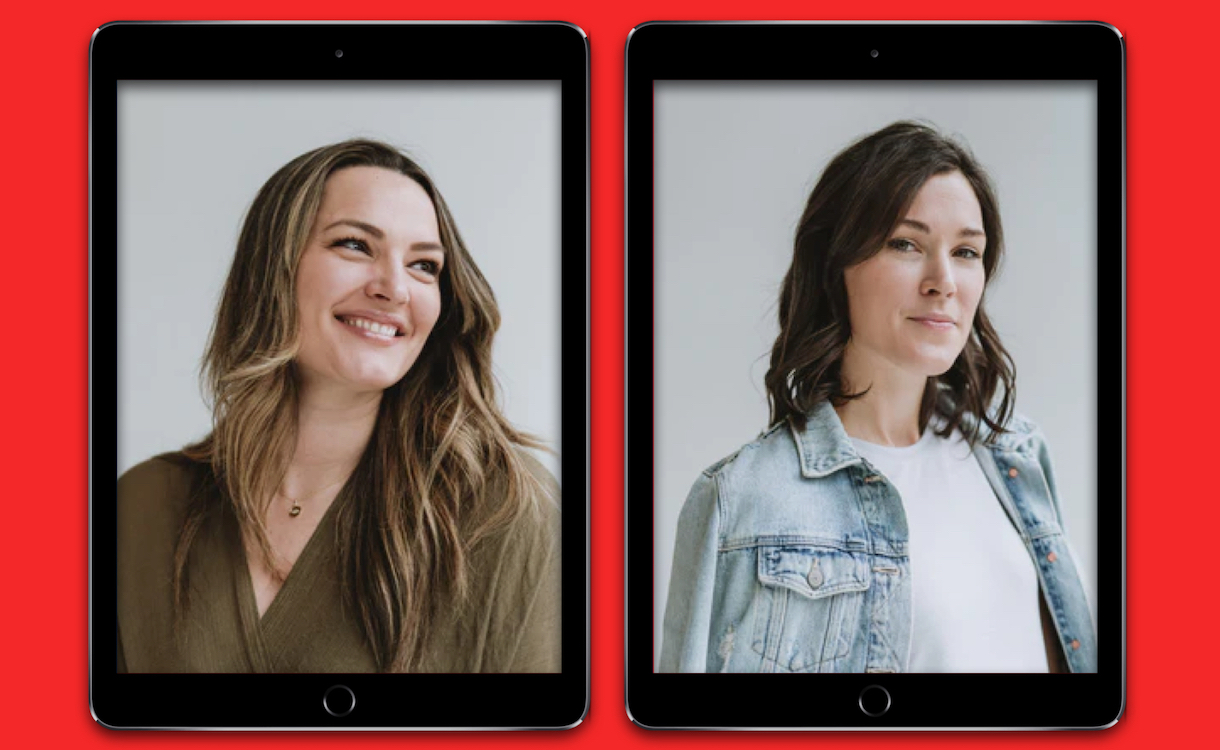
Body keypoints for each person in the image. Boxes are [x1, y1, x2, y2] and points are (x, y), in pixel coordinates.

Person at [659, 121, 1096, 674]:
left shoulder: (1017, 457)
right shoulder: (743, 499)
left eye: (966, 251)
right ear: (834, 264)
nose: (944, 280)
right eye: (905, 244)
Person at [117, 139, 560, 673]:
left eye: (424, 265)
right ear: (272, 270)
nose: (394, 288)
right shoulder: (142, 507)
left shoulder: (507, 510)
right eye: (354, 245)